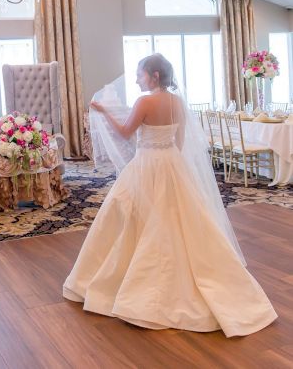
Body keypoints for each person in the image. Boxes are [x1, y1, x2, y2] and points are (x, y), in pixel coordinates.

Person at [63, 53, 277, 337]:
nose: (137, 79)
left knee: (134, 217)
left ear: (153, 76)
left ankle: (128, 281)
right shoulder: (178, 102)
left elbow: (126, 134)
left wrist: (103, 112)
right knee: (179, 220)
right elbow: (178, 141)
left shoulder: (145, 101)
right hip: (172, 164)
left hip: (148, 165)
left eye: (140, 74)